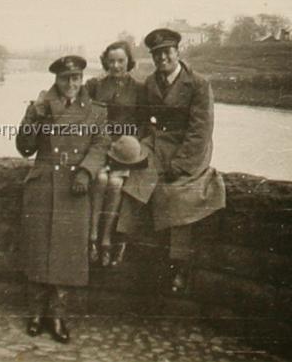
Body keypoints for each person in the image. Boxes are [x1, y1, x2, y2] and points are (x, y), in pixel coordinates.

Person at [119, 28, 225, 292]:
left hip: (190, 150)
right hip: (157, 145)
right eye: (157, 54)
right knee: (134, 179)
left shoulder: (199, 84)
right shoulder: (151, 83)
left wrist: (182, 164)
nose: (162, 58)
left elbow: (201, 130)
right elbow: (144, 121)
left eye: (167, 52)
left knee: (178, 193)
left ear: (178, 52)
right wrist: (139, 148)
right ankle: (120, 240)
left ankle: (178, 264)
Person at [15, 55, 109, 344]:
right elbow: (24, 148)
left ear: (82, 79)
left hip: (74, 188)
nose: (72, 84)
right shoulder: (40, 107)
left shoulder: (95, 111)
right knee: (38, 249)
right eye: (66, 78)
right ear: (56, 80)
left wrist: (85, 172)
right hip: (43, 184)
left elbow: (101, 144)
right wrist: (34, 117)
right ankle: (35, 313)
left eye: (77, 78)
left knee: (66, 254)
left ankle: (57, 316)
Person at [85, 41, 144, 267]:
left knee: (116, 185)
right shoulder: (95, 86)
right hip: (100, 145)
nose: (116, 66)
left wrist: (131, 146)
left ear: (129, 61)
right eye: (111, 61)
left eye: (120, 61)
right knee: (100, 179)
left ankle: (106, 240)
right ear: (105, 62)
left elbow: (142, 124)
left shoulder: (138, 89)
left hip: (125, 149)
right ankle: (92, 237)